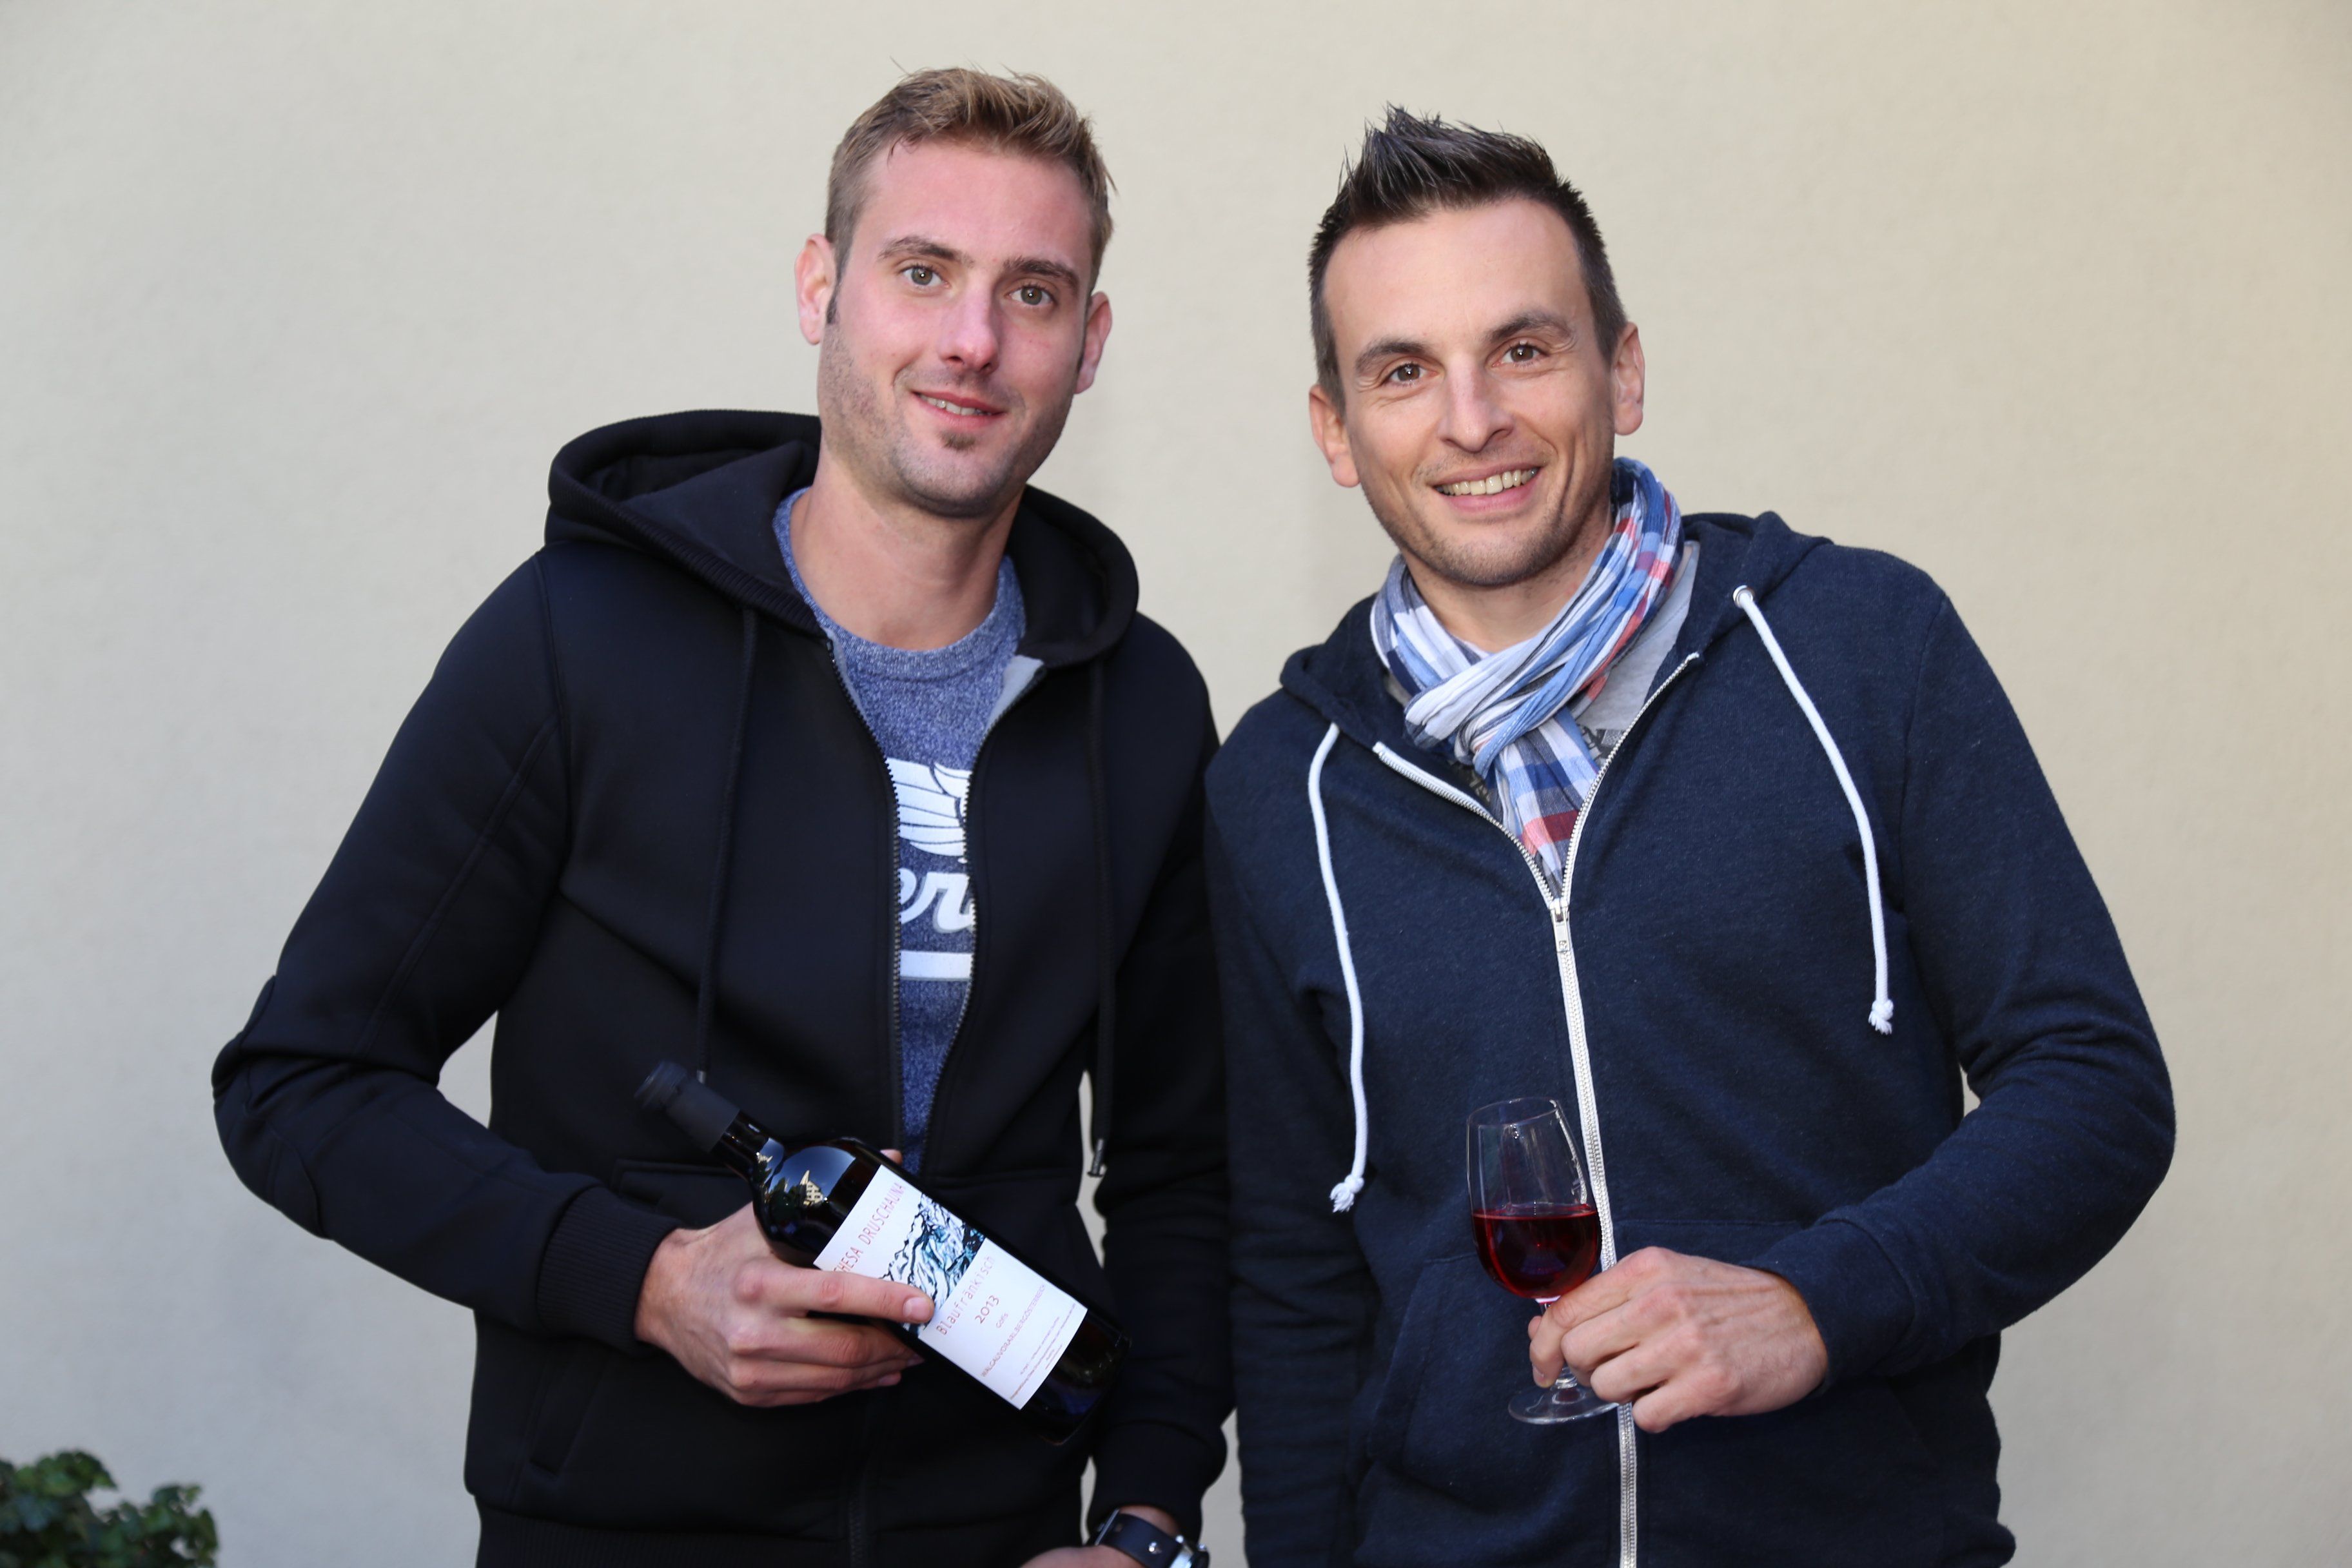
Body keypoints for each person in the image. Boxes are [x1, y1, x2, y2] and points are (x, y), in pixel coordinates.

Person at [213, 68, 1228, 1568]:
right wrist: (645, 1279)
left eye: (1034, 291)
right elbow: (302, 1082)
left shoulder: (1134, 706)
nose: (972, 339)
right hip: (623, 1527)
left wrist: (1145, 1521)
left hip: (990, 1526)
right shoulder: (580, 641)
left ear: (1089, 344)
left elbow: (1182, 1170)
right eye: (923, 271)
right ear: (822, 287)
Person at [1207, 108, 2173, 1567]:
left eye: (1524, 348)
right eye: (1403, 372)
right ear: (1337, 430)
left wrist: (1816, 1302)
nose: (1471, 419)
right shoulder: (1280, 784)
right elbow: (1293, 1272)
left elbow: (2096, 1086)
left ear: (1625, 370)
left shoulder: (1860, 646)